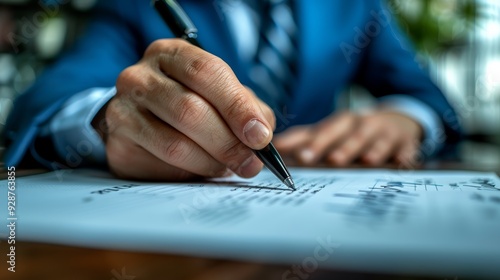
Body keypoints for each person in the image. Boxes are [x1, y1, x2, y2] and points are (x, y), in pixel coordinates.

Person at [3, 0, 461, 181]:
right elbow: (45, 100)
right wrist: (108, 119)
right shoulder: (139, 5)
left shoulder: (354, 5)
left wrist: (407, 118)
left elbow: (429, 98)